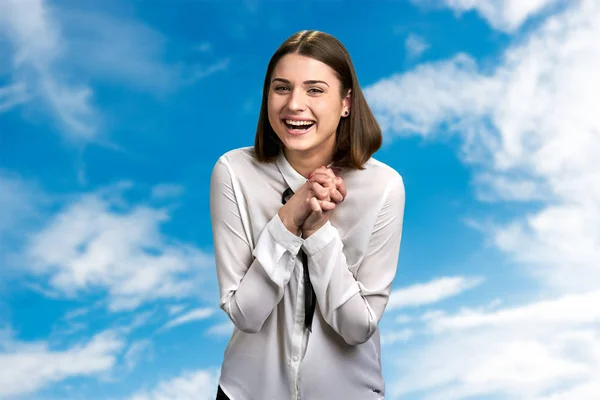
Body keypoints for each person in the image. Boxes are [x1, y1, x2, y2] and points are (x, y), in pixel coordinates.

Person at [210, 30, 405, 400]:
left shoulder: (384, 187)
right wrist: (287, 220)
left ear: (346, 102)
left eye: (315, 90)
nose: (294, 105)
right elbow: (245, 315)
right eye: (281, 88)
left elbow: (357, 327)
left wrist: (317, 233)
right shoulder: (234, 172)